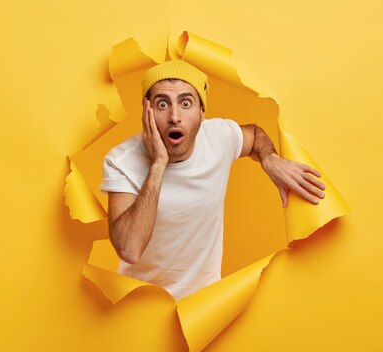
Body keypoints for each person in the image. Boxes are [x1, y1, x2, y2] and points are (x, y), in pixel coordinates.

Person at [100, 60, 326, 300]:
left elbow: (254, 134)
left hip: (204, 306)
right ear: (147, 112)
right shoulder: (121, 161)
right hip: (140, 305)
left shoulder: (218, 136)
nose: (175, 116)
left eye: (186, 103)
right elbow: (130, 249)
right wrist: (158, 164)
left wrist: (269, 159)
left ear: (202, 113)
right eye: (162, 104)